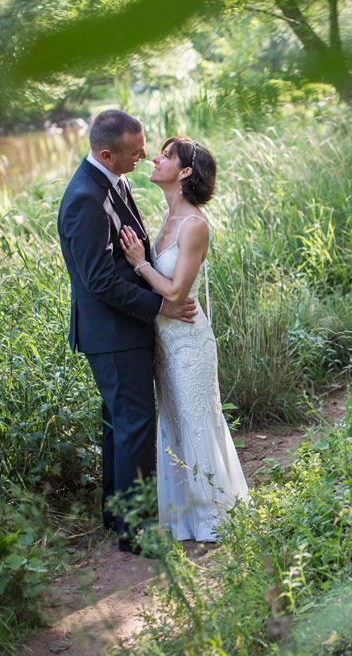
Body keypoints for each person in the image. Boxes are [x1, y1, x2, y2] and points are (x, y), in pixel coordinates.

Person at [57, 109, 198, 555]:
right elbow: (98, 280)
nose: (144, 155)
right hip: (113, 333)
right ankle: (137, 532)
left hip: (123, 330)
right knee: (135, 425)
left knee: (121, 426)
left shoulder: (114, 181)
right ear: (106, 153)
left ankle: (117, 516)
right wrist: (162, 305)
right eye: (135, 151)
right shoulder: (85, 198)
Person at [119, 136, 249, 542]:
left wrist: (140, 264)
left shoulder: (194, 224)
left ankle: (212, 514)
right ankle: (183, 517)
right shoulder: (167, 218)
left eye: (166, 156)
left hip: (190, 343)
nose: (155, 159)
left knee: (195, 421)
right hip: (166, 343)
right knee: (173, 423)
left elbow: (175, 292)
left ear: (186, 171)